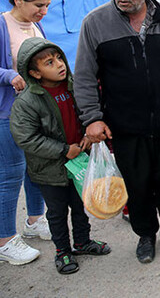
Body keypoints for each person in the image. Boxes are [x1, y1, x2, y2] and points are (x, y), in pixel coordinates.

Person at [73, 0, 160, 264]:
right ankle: (145, 235)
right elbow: (85, 75)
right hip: (125, 125)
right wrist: (92, 119)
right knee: (137, 184)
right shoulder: (95, 23)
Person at [10, 37, 111, 274]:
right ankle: (63, 252)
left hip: (78, 160)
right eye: (49, 62)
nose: (59, 64)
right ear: (35, 73)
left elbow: (87, 112)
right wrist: (64, 150)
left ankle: (82, 242)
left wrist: (87, 134)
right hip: (50, 169)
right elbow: (27, 138)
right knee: (57, 212)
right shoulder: (27, 102)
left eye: (58, 58)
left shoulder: (73, 86)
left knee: (80, 204)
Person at [0, 0, 52, 266]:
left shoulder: (35, 26)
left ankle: (35, 221)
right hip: (7, 113)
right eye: (38, 5)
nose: (43, 12)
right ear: (18, 0)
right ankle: (4, 240)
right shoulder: (1, 25)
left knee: (36, 168)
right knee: (10, 173)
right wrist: (9, 75)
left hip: (35, 112)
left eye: (46, 6)